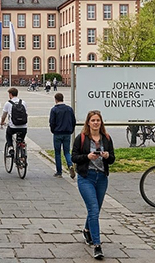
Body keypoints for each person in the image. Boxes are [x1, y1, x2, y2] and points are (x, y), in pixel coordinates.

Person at [71, 110, 114, 260]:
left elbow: (112, 159)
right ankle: (97, 245)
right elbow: (74, 157)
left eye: (98, 120)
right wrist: (87, 157)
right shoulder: (81, 138)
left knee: (95, 209)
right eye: (93, 120)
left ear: (101, 123)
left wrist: (107, 156)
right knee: (94, 209)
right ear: (88, 122)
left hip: (101, 178)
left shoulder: (106, 138)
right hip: (86, 177)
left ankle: (87, 229)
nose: (96, 123)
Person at [49, 93, 75, 178]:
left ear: (56, 99)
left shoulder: (54, 110)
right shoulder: (69, 109)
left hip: (57, 133)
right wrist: (71, 130)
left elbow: (52, 122)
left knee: (57, 153)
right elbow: (73, 121)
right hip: (67, 133)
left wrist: (53, 130)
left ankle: (59, 172)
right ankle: (70, 165)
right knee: (67, 152)